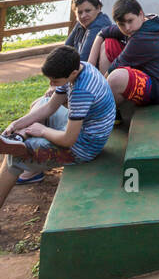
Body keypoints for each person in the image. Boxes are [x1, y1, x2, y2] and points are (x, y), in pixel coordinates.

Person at [0, 46, 116, 209]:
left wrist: (43, 131)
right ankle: (18, 136)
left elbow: (68, 140)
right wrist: (18, 123)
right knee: (44, 102)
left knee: (14, 158)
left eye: (55, 81)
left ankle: (20, 143)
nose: (51, 84)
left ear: (73, 74)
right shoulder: (79, 67)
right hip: (82, 129)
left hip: (84, 148)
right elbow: (50, 107)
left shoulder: (81, 92)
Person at [87, 0, 159, 107]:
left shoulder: (142, 38)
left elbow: (115, 67)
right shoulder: (145, 22)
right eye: (121, 24)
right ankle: (110, 105)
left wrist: (94, 91)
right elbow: (103, 33)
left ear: (141, 15)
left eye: (130, 21)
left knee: (116, 78)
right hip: (149, 74)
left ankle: (101, 114)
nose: (127, 28)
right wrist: (90, 67)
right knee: (108, 43)